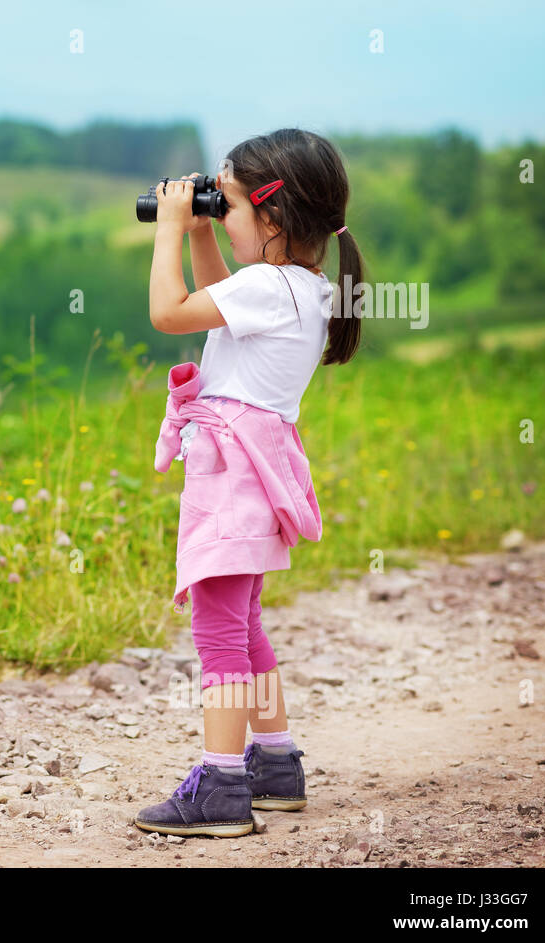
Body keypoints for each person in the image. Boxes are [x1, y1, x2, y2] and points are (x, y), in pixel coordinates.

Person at [134, 128, 365, 838]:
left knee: (219, 633)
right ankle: (274, 763)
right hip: (257, 475)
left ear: (272, 216)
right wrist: (207, 227)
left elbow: (171, 312)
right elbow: (222, 296)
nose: (216, 212)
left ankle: (222, 786)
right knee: (245, 625)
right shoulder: (302, 286)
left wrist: (170, 229)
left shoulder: (269, 288)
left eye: (226, 203)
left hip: (229, 481)